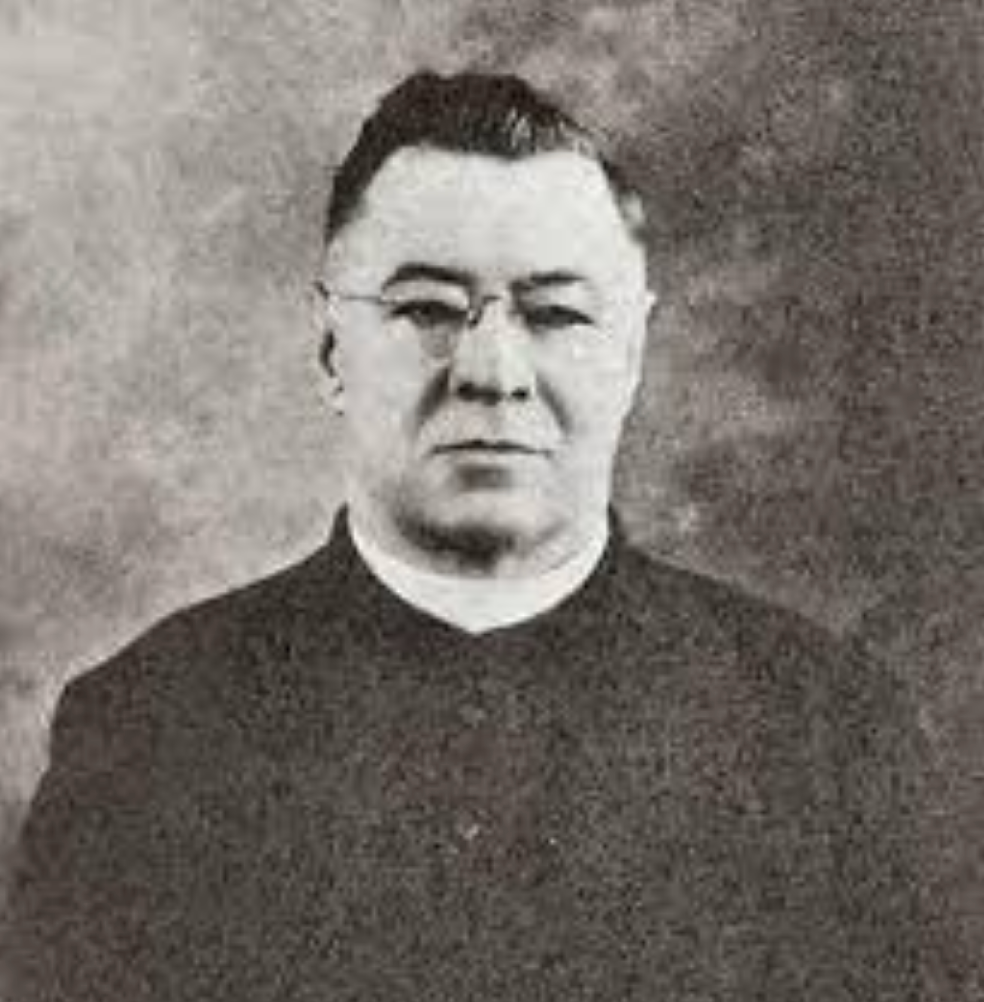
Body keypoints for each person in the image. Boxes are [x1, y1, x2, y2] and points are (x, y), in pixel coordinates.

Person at [5, 71, 936, 1001]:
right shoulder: (149, 727)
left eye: (558, 314)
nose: (492, 371)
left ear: (632, 354)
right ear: (332, 348)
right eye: (426, 310)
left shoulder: (829, 732)